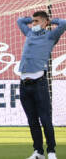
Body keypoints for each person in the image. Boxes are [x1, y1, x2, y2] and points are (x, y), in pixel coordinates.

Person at [16, 11, 66, 159]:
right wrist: (30, 19)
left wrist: (51, 21)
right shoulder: (30, 33)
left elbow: (64, 23)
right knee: (32, 120)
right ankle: (38, 152)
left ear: (45, 22)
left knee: (45, 119)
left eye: (37, 21)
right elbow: (20, 21)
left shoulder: (50, 36)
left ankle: (51, 151)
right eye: (33, 22)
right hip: (24, 84)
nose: (34, 24)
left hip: (39, 84)